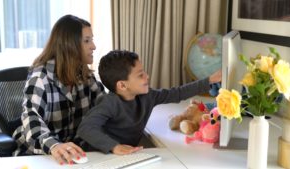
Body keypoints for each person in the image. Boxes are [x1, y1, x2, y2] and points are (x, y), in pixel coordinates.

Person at [77, 50, 221, 155]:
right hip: (98, 156)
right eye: (140, 75)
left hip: (123, 156)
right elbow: (85, 128)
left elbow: (176, 93)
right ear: (122, 85)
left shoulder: (147, 96)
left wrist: (209, 81)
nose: (147, 76)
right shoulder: (109, 103)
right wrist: (114, 146)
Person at [12, 15, 105, 165]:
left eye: (92, 40)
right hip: (37, 155)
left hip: (73, 155)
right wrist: (54, 145)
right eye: (87, 41)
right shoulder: (40, 77)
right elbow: (31, 117)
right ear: (69, 44)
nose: (93, 46)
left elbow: (105, 107)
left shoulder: (86, 76)